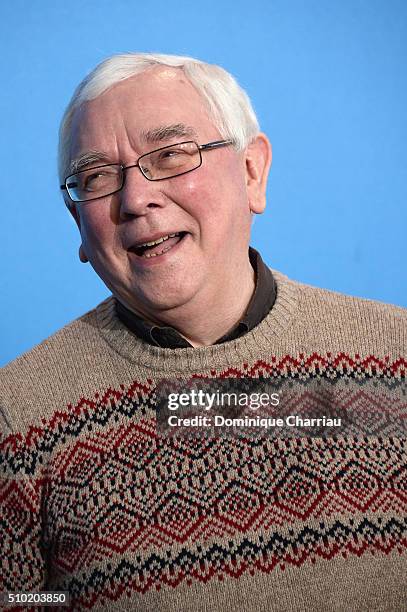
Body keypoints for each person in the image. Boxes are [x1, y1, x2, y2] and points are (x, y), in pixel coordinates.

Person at [1, 53, 405, 611]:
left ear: (251, 172)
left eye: (170, 156)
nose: (135, 199)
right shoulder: (18, 415)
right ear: (77, 223)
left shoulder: (396, 358)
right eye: (95, 177)